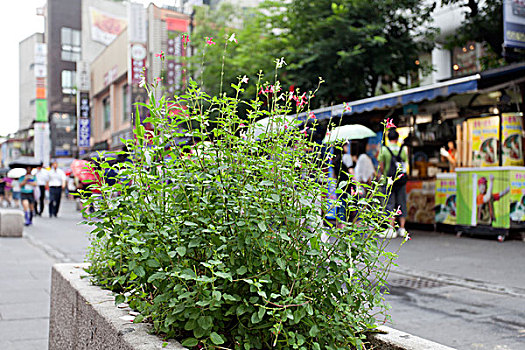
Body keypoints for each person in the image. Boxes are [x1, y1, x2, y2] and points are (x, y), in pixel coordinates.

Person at [378, 128, 408, 238]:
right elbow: (404, 162)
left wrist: (384, 173)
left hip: (389, 180)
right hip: (401, 180)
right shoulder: (402, 149)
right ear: (397, 138)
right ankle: (402, 228)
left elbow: (381, 165)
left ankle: (391, 229)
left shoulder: (384, 150)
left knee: (389, 203)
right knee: (402, 202)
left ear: (388, 138)